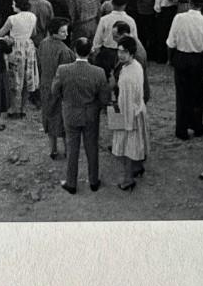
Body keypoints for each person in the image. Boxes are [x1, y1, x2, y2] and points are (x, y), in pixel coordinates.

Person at [53, 37, 110, 194]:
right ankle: (93, 181)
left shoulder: (63, 70)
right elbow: (104, 98)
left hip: (71, 113)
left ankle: (71, 183)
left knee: (72, 148)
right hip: (90, 114)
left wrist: (66, 100)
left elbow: (54, 91)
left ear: (74, 50)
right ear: (91, 51)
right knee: (92, 147)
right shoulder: (99, 72)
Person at [166, 0, 203, 139]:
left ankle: (181, 129)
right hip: (198, 59)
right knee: (197, 94)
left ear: (190, 2)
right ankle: (196, 124)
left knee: (182, 94)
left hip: (181, 57)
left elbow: (171, 42)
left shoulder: (179, 18)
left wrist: (170, 59)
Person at [110, 36, 149, 190]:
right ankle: (137, 167)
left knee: (126, 149)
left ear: (131, 53)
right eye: (119, 51)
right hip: (137, 111)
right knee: (135, 144)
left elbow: (126, 101)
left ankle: (128, 180)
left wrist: (125, 122)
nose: (120, 55)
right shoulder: (135, 65)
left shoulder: (128, 76)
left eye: (124, 52)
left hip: (129, 115)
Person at [36, 19, 75, 159]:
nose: (66, 34)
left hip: (45, 85)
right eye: (63, 32)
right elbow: (67, 73)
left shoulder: (43, 43)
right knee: (63, 119)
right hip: (59, 89)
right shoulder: (64, 51)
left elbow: (39, 63)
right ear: (54, 32)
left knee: (48, 116)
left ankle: (53, 149)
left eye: (66, 31)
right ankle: (68, 150)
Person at [0, 0, 39, 117]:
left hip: (15, 48)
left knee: (14, 78)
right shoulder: (32, 16)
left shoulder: (12, 19)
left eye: (13, 3)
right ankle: (22, 108)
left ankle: (13, 108)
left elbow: (0, 33)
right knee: (27, 76)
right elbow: (34, 33)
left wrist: (6, 38)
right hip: (28, 47)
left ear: (17, 4)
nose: (12, 5)